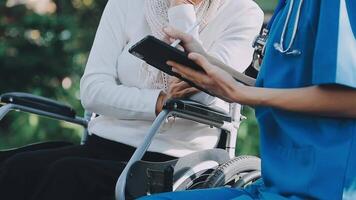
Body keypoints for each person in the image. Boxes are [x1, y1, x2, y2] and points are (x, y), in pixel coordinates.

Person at [0, 0, 263, 199]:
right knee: (16, 167)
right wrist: (159, 101)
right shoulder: (126, 3)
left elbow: (205, 92)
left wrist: (181, 10)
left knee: (67, 175)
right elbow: (92, 91)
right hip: (101, 144)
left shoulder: (243, 13)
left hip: (172, 159)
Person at [140, 0, 356, 199]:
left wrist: (240, 93)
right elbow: (274, 91)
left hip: (324, 188)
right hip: (273, 183)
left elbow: (350, 99)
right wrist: (209, 63)